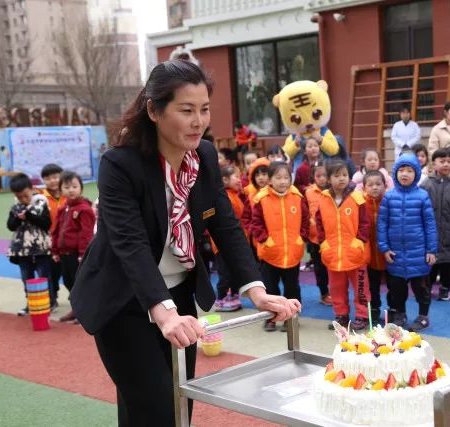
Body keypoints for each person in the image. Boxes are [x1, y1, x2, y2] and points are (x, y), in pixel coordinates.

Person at [70, 60, 300, 426]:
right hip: (124, 302)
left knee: (176, 406)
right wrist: (163, 314)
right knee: (160, 410)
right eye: (186, 110)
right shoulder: (120, 165)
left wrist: (256, 290)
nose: (198, 121)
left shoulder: (204, 157)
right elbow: (129, 244)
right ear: (154, 110)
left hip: (179, 297)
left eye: (204, 109)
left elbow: (224, 224)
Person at [378, 153, 437, 331]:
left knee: (421, 288)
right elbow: (382, 224)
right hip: (395, 253)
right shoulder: (388, 197)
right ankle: (400, 314)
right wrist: (384, 247)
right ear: (395, 173)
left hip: (418, 252)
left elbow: (430, 225)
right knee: (397, 289)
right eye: (401, 170)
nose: (405, 174)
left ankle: (423, 315)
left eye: (409, 170)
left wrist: (431, 250)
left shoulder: (422, 196)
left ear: (416, 174)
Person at [251, 161, 309, 331]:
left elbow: (305, 220)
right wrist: (265, 240)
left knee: (292, 288)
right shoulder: (261, 199)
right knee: (270, 289)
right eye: (278, 178)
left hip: (292, 253)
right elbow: (256, 224)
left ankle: (291, 317)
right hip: (270, 254)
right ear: (270, 180)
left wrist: (301, 238)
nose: (283, 181)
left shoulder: (298, 198)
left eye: (286, 177)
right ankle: (270, 317)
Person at [316, 159, 370, 331]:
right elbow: (319, 222)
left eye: (345, 175)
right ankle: (341, 316)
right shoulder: (324, 199)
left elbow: (366, 223)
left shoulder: (358, 197)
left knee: (361, 287)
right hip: (333, 253)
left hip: (355, 253)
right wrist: (323, 243)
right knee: (337, 288)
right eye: (337, 175)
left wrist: (359, 241)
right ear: (329, 178)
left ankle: (362, 316)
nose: (341, 179)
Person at [420, 148, 450, 301]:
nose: (445, 165)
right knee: (430, 263)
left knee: (449, 263)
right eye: (442, 161)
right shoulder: (426, 184)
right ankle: (427, 288)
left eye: (449, 161)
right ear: (434, 163)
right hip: (430, 231)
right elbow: (418, 206)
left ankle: (446, 287)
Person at [51, 171, 95, 323]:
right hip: (64, 253)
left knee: (80, 283)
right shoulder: (63, 209)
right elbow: (56, 230)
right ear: (61, 190)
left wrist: (83, 253)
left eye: (75, 186)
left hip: (78, 254)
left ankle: (85, 311)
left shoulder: (84, 209)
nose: (71, 190)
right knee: (68, 281)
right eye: (67, 187)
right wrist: (55, 250)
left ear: (81, 188)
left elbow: (86, 234)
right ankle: (76, 308)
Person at [6, 173, 53, 316]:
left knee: (44, 275)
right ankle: (30, 303)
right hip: (22, 249)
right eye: (19, 197)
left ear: (32, 189)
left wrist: (29, 216)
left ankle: (48, 302)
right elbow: (10, 226)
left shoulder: (41, 202)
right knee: (26, 276)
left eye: (26, 195)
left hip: (40, 247)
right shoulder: (16, 207)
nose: (23, 199)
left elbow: (46, 223)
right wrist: (17, 218)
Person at [213, 165, 247, 312]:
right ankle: (220, 298)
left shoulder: (235, 195)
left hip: (235, 241)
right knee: (225, 272)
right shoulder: (224, 197)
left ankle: (233, 295)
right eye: (236, 177)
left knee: (235, 270)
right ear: (225, 180)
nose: (239, 180)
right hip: (223, 244)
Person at [304, 161, 331, 305]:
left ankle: (334, 292)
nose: (321, 178)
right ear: (313, 176)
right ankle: (324, 292)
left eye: (324, 175)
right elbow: (305, 213)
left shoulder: (332, 191)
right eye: (318, 175)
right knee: (319, 268)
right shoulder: (308, 192)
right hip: (314, 238)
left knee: (331, 267)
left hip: (331, 237)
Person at [362, 170, 387, 324]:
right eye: (370, 185)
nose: (375, 187)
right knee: (372, 285)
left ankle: (394, 309)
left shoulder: (389, 201)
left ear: (385, 185)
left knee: (393, 284)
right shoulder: (361, 204)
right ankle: (374, 309)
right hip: (369, 253)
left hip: (388, 254)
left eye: (378, 184)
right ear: (364, 187)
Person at [41, 163, 66, 305]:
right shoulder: (40, 197)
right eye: (48, 178)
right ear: (43, 180)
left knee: (70, 271)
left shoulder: (69, 194)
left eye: (56, 177)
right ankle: (53, 295)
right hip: (49, 242)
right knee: (52, 271)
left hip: (68, 242)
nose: (53, 180)